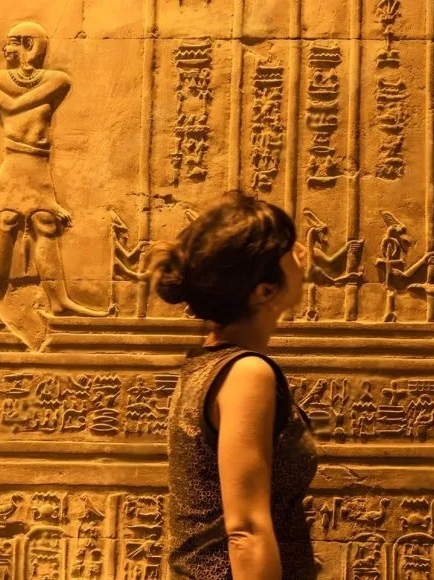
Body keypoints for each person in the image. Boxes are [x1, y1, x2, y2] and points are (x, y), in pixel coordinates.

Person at [152, 197, 318, 580]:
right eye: (289, 250)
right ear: (263, 292)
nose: (303, 254)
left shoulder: (209, 362)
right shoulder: (247, 373)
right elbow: (246, 531)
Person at [0, 22, 109, 315]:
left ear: (30, 44)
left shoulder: (57, 80)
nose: (5, 48)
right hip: (14, 164)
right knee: (7, 222)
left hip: (37, 164)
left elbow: (14, 106)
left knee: (45, 223)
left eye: (13, 42)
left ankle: (59, 300)